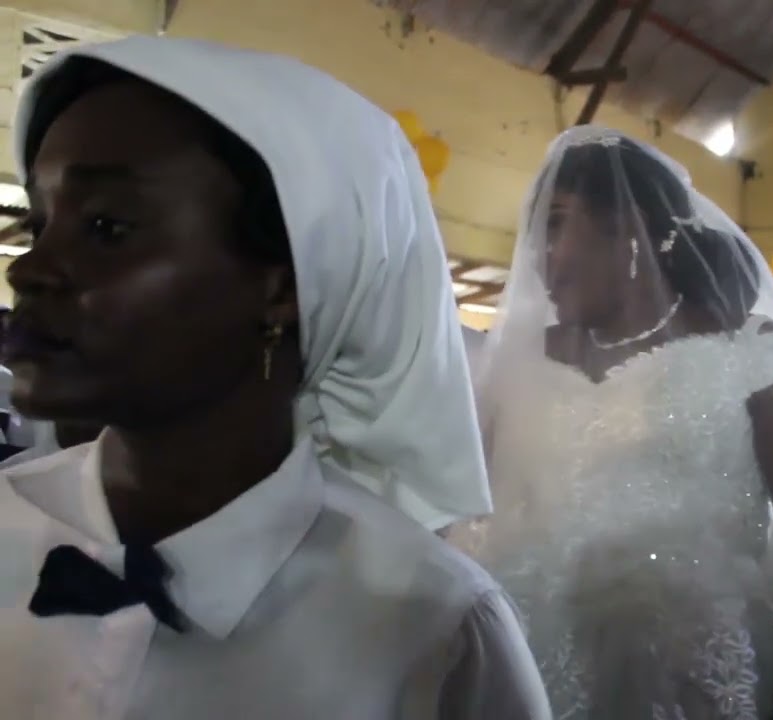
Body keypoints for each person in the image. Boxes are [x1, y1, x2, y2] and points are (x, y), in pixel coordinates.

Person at [0, 37, 548, 719]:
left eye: (107, 226)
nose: (27, 269)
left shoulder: (430, 632)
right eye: (38, 223)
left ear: (283, 288)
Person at [459, 127, 773, 719]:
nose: (541, 256)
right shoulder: (513, 362)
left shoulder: (756, 357)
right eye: (537, 231)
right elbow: (462, 519)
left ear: (630, 230)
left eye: (557, 223)